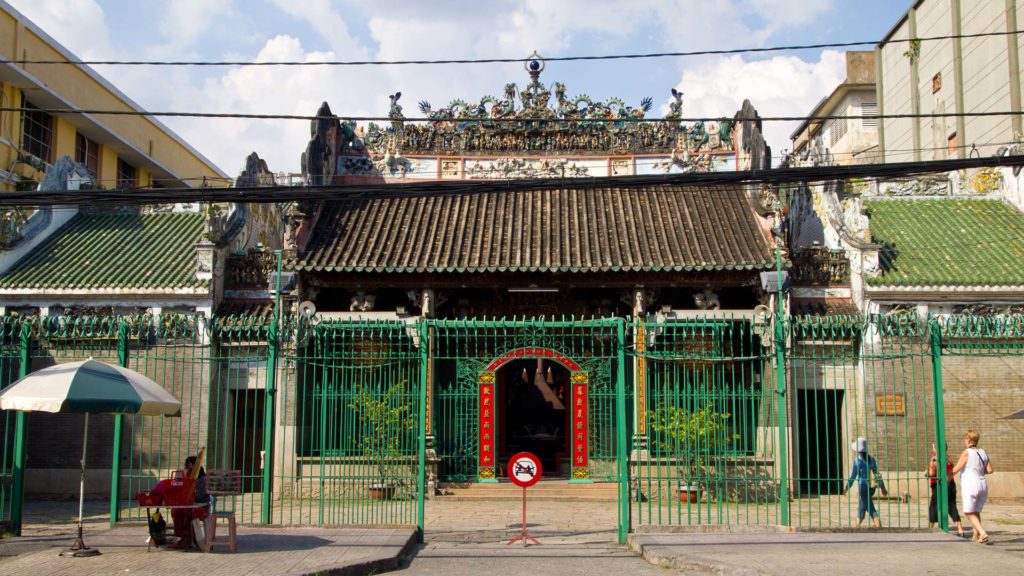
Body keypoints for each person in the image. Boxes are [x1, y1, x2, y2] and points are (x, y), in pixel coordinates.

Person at [951, 429, 993, 544]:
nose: (964, 441)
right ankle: (976, 536)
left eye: (965, 439)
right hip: (982, 483)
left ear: (969, 440)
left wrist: (947, 477)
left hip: (970, 483)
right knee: (976, 511)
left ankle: (983, 533)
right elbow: (990, 470)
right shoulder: (983, 452)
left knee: (968, 513)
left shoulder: (967, 452)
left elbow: (956, 468)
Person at [842, 436, 887, 528]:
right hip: (872, 487)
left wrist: (846, 488)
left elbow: (852, 477)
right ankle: (857, 525)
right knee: (862, 505)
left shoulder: (857, 461)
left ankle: (878, 526)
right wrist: (883, 488)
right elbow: (877, 475)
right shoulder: (872, 460)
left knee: (871, 508)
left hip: (862, 486)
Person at [167, 454, 209, 549]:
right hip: (188, 505)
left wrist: (189, 496)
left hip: (201, 507)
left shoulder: (202, 480)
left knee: (188, 512)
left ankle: (189, 538)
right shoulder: (188, 479)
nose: (187, 469)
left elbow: (199, 497)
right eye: (186, 467)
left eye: (189, 467)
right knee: (176, 511)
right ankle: (183, 537)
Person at [927, 442, 964, 536]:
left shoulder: (934, 458)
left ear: (936, 448)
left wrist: (928, 472)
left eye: (933, 446)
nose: (932, 448)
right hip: (951, 484)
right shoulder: (948, 458)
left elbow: (932, 474)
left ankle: (930, 529)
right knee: (952, 506)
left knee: (933, 506)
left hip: (938, 485)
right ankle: (960, 530)